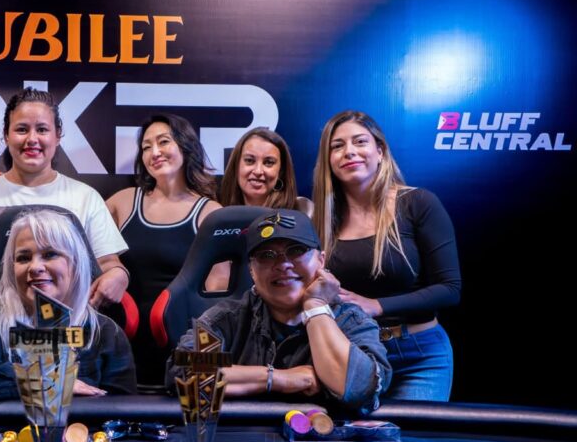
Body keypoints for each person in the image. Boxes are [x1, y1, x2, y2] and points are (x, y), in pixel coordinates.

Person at [167, 210, 391, 414]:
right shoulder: (227, 318)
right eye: (267, 255)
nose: (283, 264)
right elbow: (185, 371)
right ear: (252, 271)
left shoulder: (350, 320)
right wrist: (281, 378)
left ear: (321, 260)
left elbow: (361, 389)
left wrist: (315, 307)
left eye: (296, 251)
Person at [312, 111, 460, 401]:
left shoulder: (418, 203)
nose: (349, 151)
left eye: (360, 141)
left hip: (419, 354)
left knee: (408, 434)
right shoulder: (320, 220)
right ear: (328, 160)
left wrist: (377, 305)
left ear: (379, 151)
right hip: (352, 354)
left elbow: (450, 289)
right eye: (337, 146)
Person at [0, 87, 129, 310]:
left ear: (57, 135)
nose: (32, 139)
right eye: (22, 129)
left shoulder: (85, 197)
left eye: (42, 129)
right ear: (6, 135)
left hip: (72, 318)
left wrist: (119, 275)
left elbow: (108, 264)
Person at [0, 209, 137, 400]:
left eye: (50, 254)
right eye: (23, 258)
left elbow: (122, 413)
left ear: (76, 264)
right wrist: (38, 381)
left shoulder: (105, 332)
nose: (35, 267)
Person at [105, 113, 223, 390]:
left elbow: (218, 298)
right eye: (146, 147)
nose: (154, 152)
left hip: (183, 351)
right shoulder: (122, 203)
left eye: (163, 142)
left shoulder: (210, 213)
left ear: (185, 146)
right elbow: (80, 251)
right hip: (123, 349)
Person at [219, 127, 314, 216]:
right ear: (236, 166)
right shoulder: (218, 213)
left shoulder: (299, 215)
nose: (258, 171)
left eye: (269, 162)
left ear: (281, 171)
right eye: (249, 160)